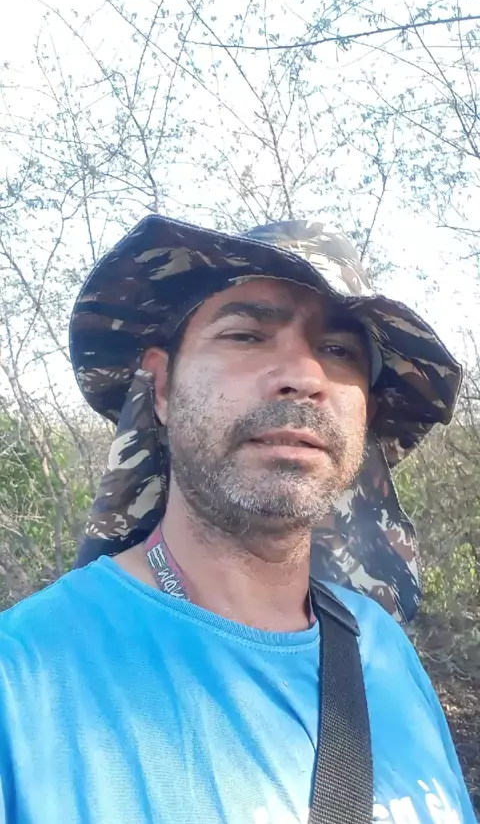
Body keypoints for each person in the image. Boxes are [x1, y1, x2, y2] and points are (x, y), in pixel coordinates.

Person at [0, 216, 475, 824]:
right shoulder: (25, 680)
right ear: (162, 387)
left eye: (338, 351)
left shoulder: (381, 647)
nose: (304, 377)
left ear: (367, 413)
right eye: (247, 335)